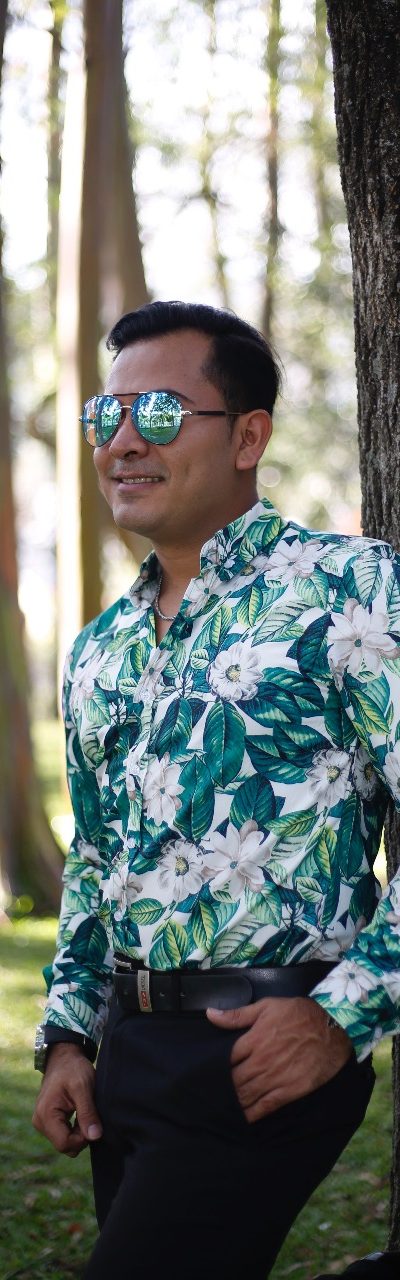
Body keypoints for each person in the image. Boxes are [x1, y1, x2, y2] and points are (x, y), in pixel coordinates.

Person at [33, 301, 400, 1279]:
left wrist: (343, 1013)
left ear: (248, 437)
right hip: (126, 1058)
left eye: (158, 413)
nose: (121, 441)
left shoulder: (350, 590)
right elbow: (97, 860)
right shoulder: (101, 647)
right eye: (105, 415)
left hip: (262, 1046)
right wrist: (67, 1038)